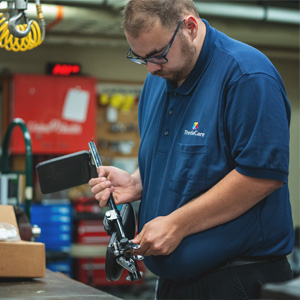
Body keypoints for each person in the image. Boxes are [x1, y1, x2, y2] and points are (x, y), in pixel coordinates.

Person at [89, 0, 295, 298]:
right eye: (139, 57)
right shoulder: (157, 81)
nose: (150, 67)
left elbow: (262, 176)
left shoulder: (247, 76)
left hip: (236, 280)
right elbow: (184, 159)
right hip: (175, 283)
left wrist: (178, 224)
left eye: (158, 55)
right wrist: (137, 182)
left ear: (190, 27)